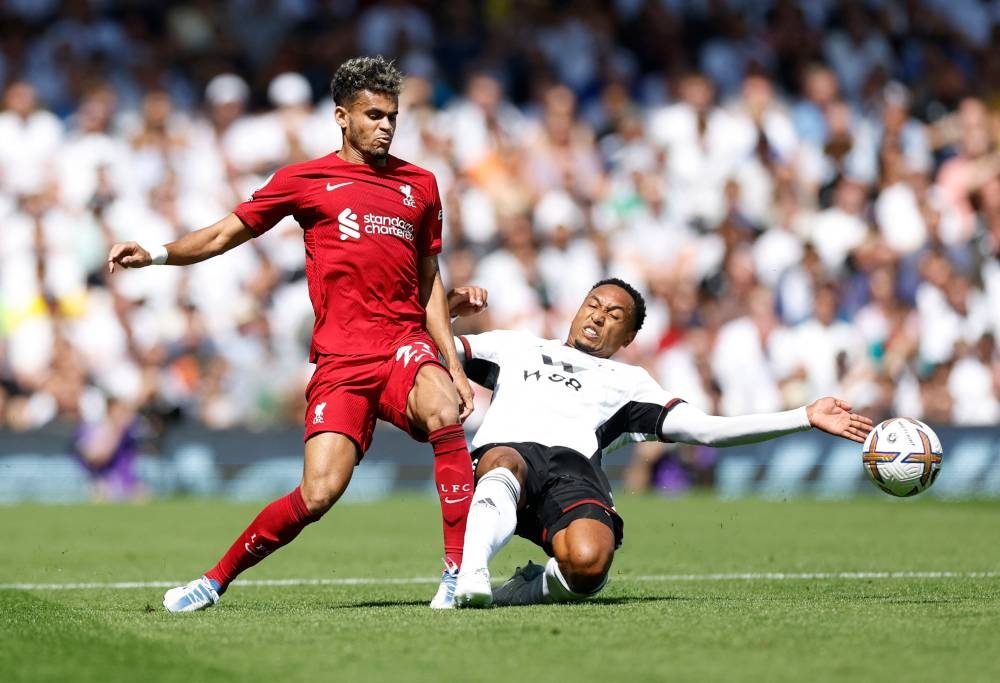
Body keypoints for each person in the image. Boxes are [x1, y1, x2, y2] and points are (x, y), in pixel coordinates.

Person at [107, 56, 485, 611]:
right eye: (373, 114)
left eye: (392, 116)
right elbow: (220, 236)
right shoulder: (304, 181)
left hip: (404, 346)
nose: (385, 125)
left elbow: (428, 279)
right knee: (318, 493)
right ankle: (213, 581)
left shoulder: (420, 185)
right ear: (341, 116)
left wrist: (451, 365)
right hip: (341, 363)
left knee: (442, 410)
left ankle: (460, 573)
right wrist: (157, 254)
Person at [450, 278, 873, 607]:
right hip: (506, 460)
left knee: (588, 565)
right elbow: (427, 343)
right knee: (504, 458)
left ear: (629, 338)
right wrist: (447, 308)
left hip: (573, 473)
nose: (597, 317)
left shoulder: (631, 383)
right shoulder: (516, 345)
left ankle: (524, 590)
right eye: (592, 305)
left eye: (614, 315)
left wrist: (803, 416)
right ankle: (469, 577)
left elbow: (707, 429)